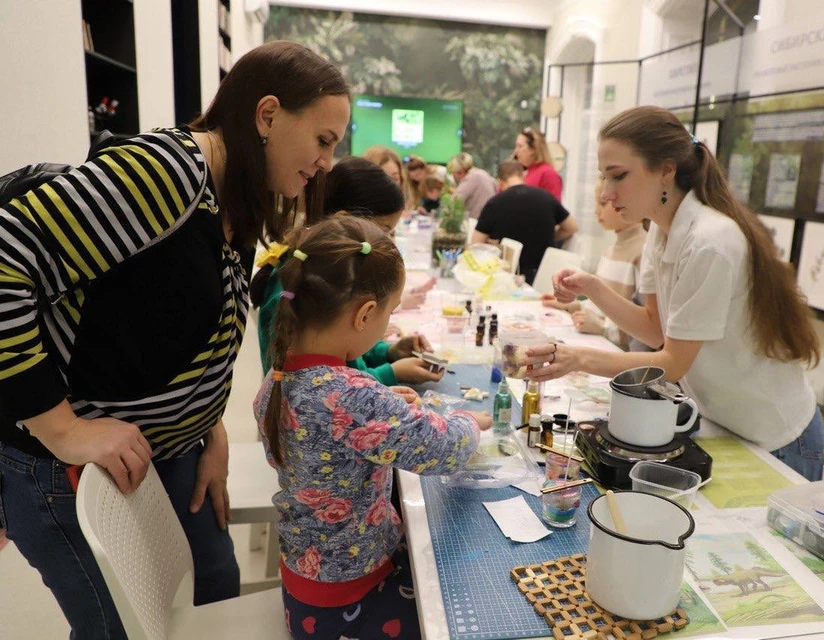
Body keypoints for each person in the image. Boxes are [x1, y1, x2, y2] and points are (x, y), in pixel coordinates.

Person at [0, 41, 351, 636]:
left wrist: (206, 430)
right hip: (74, 470)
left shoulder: (236, 191)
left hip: (171, 460)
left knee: (211, 599)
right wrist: (64, 429)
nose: (325, 163)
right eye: (323, 140)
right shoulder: (167, 173)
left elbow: (178, 324)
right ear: (267, 115)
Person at [521, 106, 824, 482]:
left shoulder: (710, 242)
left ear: (667, 170)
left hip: (776, 436)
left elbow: (674, 363)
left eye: (619, 176)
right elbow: (655, 330)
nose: (606, 193)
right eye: (604, 177)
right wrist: (592, 288)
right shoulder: (661, 234)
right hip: (724, 424)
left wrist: (577, 358)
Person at [253, 216, 491, 640]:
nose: (388, 322)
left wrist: (380, 410)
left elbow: (326, 429)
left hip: (307, 588)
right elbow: (445, 449)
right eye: (390, 312)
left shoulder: (278, 377)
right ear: (365, 314)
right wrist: (470, 421)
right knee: (468, 617)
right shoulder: (353, 398)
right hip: (350, 604)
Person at [251, 156, 444, 386]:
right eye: (384, 231)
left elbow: (346, 350)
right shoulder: (299, 281)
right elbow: (320, 389)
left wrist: (388, 352)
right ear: (344, 219)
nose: (389, 242)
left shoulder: (330, 269)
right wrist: (391, 373)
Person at [541, 180, 648, 350]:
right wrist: (570, 305)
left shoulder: (643, 253)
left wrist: (603, 329)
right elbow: (601, 309)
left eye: (603, 203)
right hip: (602, 345)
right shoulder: (609, 252)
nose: (596, 210)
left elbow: (646, 331)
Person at [471, 160, 579, 284]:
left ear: (500, 182)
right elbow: (572, 227)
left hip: (508, 277)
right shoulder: (546, 197)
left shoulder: (494, 203)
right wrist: (547, 235)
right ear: (524, 176)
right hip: (546, 276)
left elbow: (476, 244)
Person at [513, 127, 563, 201]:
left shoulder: (548, 174)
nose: (515, 151)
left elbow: (553, 207)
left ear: (533, 149)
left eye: (520, 146)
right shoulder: (523, 172)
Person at [447, 152, 497, 219]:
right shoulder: (483, 173)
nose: (453, 175)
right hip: (489, 220)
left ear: (460, 171)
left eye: (453, 172)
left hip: (475, 222)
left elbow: (454, 202)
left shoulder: (470, 178)